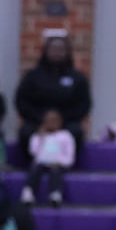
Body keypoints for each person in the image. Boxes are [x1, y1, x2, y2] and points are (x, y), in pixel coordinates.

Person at [13, 34, 91, 167]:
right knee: (26, 132)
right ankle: (33, 165)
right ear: (46, 51)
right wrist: (42, 119)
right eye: (53, 49)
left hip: (66, 122)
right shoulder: (33, 76)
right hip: (37, 120)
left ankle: (67, 165)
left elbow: (84, 104)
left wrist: (60, 121)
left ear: (67, 52)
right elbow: (21, 101)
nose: (57, 53)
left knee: (76, 132)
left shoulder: (77, 78)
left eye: (61, 49)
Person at [22, 108, 77, 206]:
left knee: (55, 170)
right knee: (34, 167)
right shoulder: (38, 136)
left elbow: (70, 156)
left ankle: (55, 195)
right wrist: (40, 138)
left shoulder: (65, 136)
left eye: (54, 120)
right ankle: (28, 193)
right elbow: (33, 152)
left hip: (59, 164)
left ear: (60, 122)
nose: (51, 123)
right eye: (48, 120)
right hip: (42, 163)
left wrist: (58, 162)